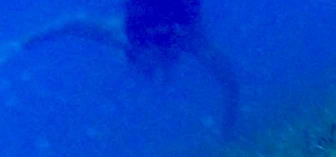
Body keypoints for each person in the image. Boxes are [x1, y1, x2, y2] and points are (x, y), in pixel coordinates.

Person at [2, 0, 238, 135]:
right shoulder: (182, 39)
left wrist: (23, 43)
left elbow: (74, 24)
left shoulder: (188, 38)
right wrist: (23, 43)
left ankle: (162, 66)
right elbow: (73, 24)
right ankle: (162, 66)